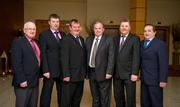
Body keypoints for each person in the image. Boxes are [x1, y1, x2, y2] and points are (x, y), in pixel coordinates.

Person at [39, 14, 66, 107]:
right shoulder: (44, 35)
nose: (56, 24)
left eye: (57, 21)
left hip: (61, 70)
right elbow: (42, 53)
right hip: (49, 70)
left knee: (62, 94)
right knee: (46, 94)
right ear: (49, 22)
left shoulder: (63, 34)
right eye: (53, 21)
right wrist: (45, 70)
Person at [11, 21, 41, 107]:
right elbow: (16, 63)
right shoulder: (18, 42)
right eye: (30, 29)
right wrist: (21, 79)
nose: (32, 31)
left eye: (34, 29)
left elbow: (37, 59)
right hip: (23, 82)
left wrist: (40, 75)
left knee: (33, 105)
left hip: (35, 81)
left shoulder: (36, 42)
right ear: (24, 30)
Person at [86, 21, 114, 107]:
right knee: (95, 97)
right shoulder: (89, 39)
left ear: (103, 29)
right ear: (93, 29)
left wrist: (109, 72)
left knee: (104, 97)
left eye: (99, 28)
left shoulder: (109, 39)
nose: (97, 30)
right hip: (92, 72)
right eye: (96, 28)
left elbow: (111, 57)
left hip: (104, 73)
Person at [113, 19, 140, 107]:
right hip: (116, 74)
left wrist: (135, 73)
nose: (124, 28)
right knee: (118, 97)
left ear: (129, 28)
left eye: (126, 26)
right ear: (119, 27)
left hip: (129, 74)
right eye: (122, 26)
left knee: (130, 98)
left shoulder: (135, 39)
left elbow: (136, 57)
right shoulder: (115, 38)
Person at [140, 24, 168, 107]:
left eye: (149, 31)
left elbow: (163, 63)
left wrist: (163, 79)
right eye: (145, 31)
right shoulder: (141, 43)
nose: (146, 33)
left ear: (154, 32)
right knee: (144, 103)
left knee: (156, 103)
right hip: (144, 79)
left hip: (155, 80)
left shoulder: (160, 44)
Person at [60, 19, 86, 107]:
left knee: (77, 99)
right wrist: (66, 74)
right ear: (70, 28)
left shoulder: (81, 39)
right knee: (66, 100)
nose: (77, 29)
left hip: (80, 76)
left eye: (78, 27)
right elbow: (64, 58)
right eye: (74, 27)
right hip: (70, 76)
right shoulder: (66, 39)